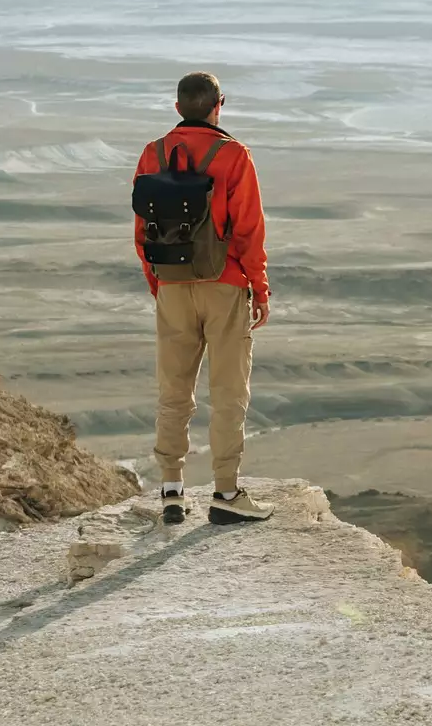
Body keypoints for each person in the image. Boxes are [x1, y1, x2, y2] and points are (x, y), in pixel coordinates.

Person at [133, 71, 273, 524]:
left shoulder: (151, 154)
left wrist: (159, 282)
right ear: (220, 104)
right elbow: (249, 229)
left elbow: (142, 231)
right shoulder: (234, 155)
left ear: (177, 108)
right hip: (225, 284)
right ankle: (226, 495)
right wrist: (259, 287)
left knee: (173, 390)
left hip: (172, 285)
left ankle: (171, 489)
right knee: (229, 392)